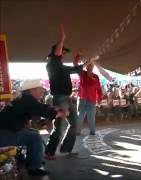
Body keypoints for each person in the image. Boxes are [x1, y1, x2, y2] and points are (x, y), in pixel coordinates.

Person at [0, 79, 68, 176]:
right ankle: (34, 168)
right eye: (41, 89)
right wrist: (61, 113)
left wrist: (54, 110)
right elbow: (44, 111)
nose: (43, 91)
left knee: (34, 133)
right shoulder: (27, 99)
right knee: (34, 138)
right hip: (4, 134)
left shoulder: (23, 97)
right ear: (33, 90)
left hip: (6, 130)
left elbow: (41, 107)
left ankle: (33, 160)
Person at [45, 25, 93, 159]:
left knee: (74, 124)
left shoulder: (60, 66)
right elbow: (57, 54)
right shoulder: (52, 64)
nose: (63, 54)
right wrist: (62, 38)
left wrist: (85, 63)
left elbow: (75, 70)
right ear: (56, 53)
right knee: (59, 126)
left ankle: (65, 149)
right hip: (60, 98)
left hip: (65, 98)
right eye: (62, 52)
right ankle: (49, 152)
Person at [73, 52, 103, 135]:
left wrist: (99, 99)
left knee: (91, 117)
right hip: (82, 98)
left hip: (92, 100)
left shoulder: (96, 76)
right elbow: (75, 66)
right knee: (80, 116)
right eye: (89, 65)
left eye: (91, 65)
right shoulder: (82, 73)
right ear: (86, 66)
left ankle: (92, 131)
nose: (90, 66)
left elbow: (99, 89)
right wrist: (77, 56)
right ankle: (77, 131)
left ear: (93, 67)